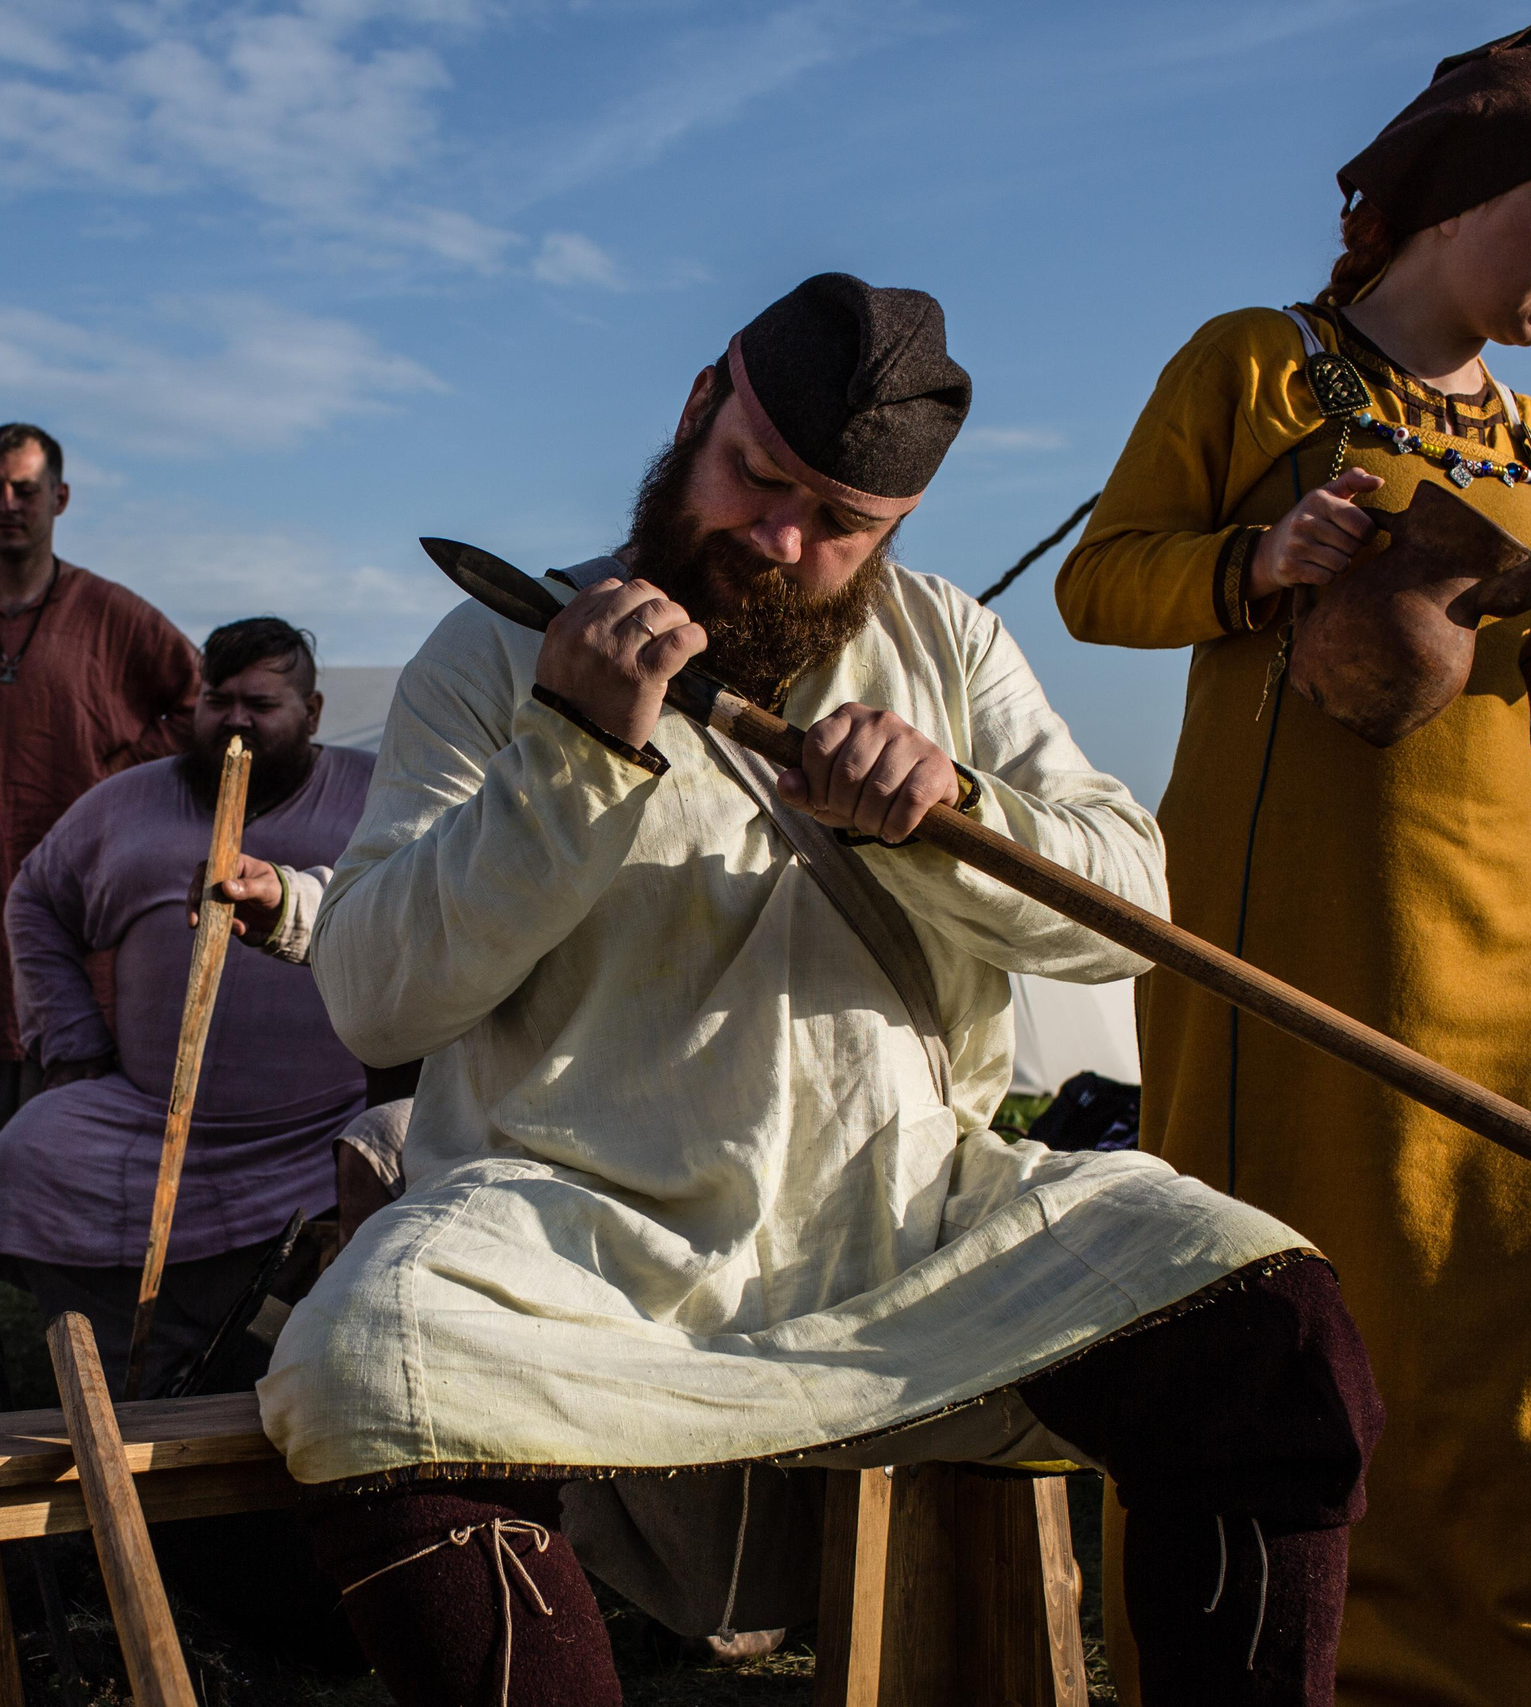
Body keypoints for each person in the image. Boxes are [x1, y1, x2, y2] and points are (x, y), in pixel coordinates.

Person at [217, 274, 1382, 1707]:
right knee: (367, 1368)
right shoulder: (502, 654)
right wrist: (572, 747)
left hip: (907, 1218)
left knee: (1273, 1331)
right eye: (757, 480)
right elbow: (376, 996)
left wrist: (950, 813)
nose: (780, 541)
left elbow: (1129, 905)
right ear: (700, 404)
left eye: (840, 524)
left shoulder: (948, 640)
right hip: (574, 1229)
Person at [1055, 26, 1531, 1706]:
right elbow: (1102, 583)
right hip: (1301, 950)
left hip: (1508, 946)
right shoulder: (1252, 368)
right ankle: (1290, 1665)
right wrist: (1260, 560)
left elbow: (1521, 702)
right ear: (1459, 198)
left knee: (1530, 1306)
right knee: (1300, 1313)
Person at [0, 423, 200, 1367]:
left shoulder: (110, 615)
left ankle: (67, 1328)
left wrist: (117, 771)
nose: (7, 505)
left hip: (66, 917)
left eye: (24, 489)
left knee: (66, 1112)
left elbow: (195, 697)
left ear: (60, 498)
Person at [0, 618, 374, 1394]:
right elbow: (35, 898)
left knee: (387, 1162)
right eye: (217, 700)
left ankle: (267, 1360)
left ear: (313, 711)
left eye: (261, 703)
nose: (235, 721)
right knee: (31, 1151)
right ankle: (133, 1364)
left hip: (320, 1127)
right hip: (152, 1117)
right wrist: (72, 1040)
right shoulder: (126, 805)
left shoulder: (374, 794)